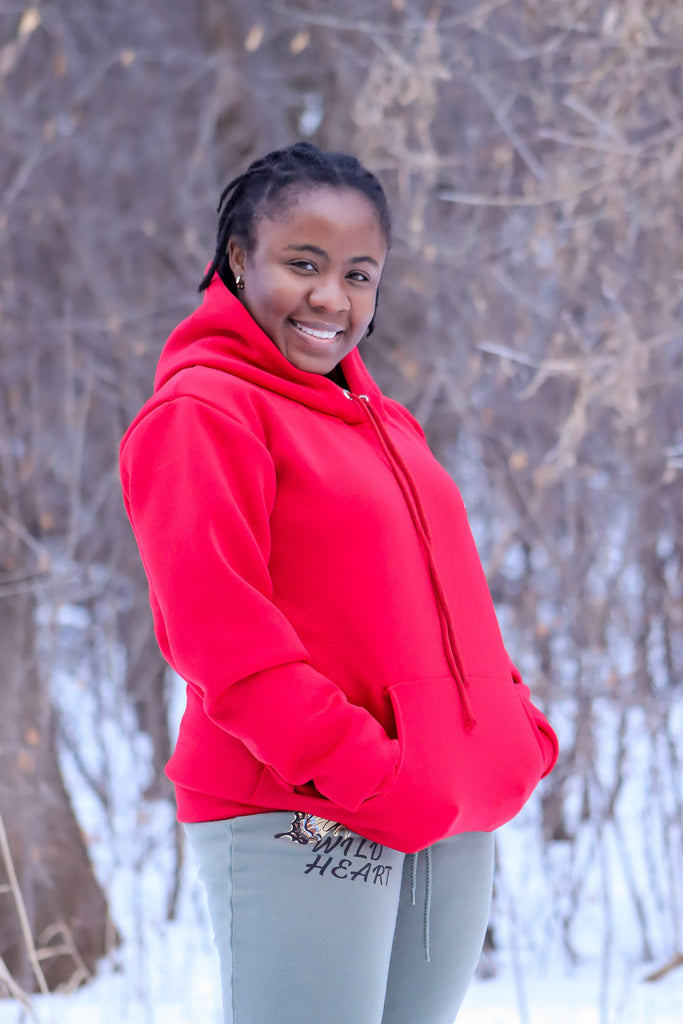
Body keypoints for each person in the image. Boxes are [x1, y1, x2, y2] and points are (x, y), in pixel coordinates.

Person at [119, 141, 558, 1024]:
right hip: (298, 811)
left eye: (359, 274)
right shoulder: (203, 413)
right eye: (303, 264)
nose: (331, 299)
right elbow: (219, 641)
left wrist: (512, 729)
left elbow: (445, 606)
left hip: (443, 809)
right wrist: (367, 774)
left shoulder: (386, 422)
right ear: (239, 260)